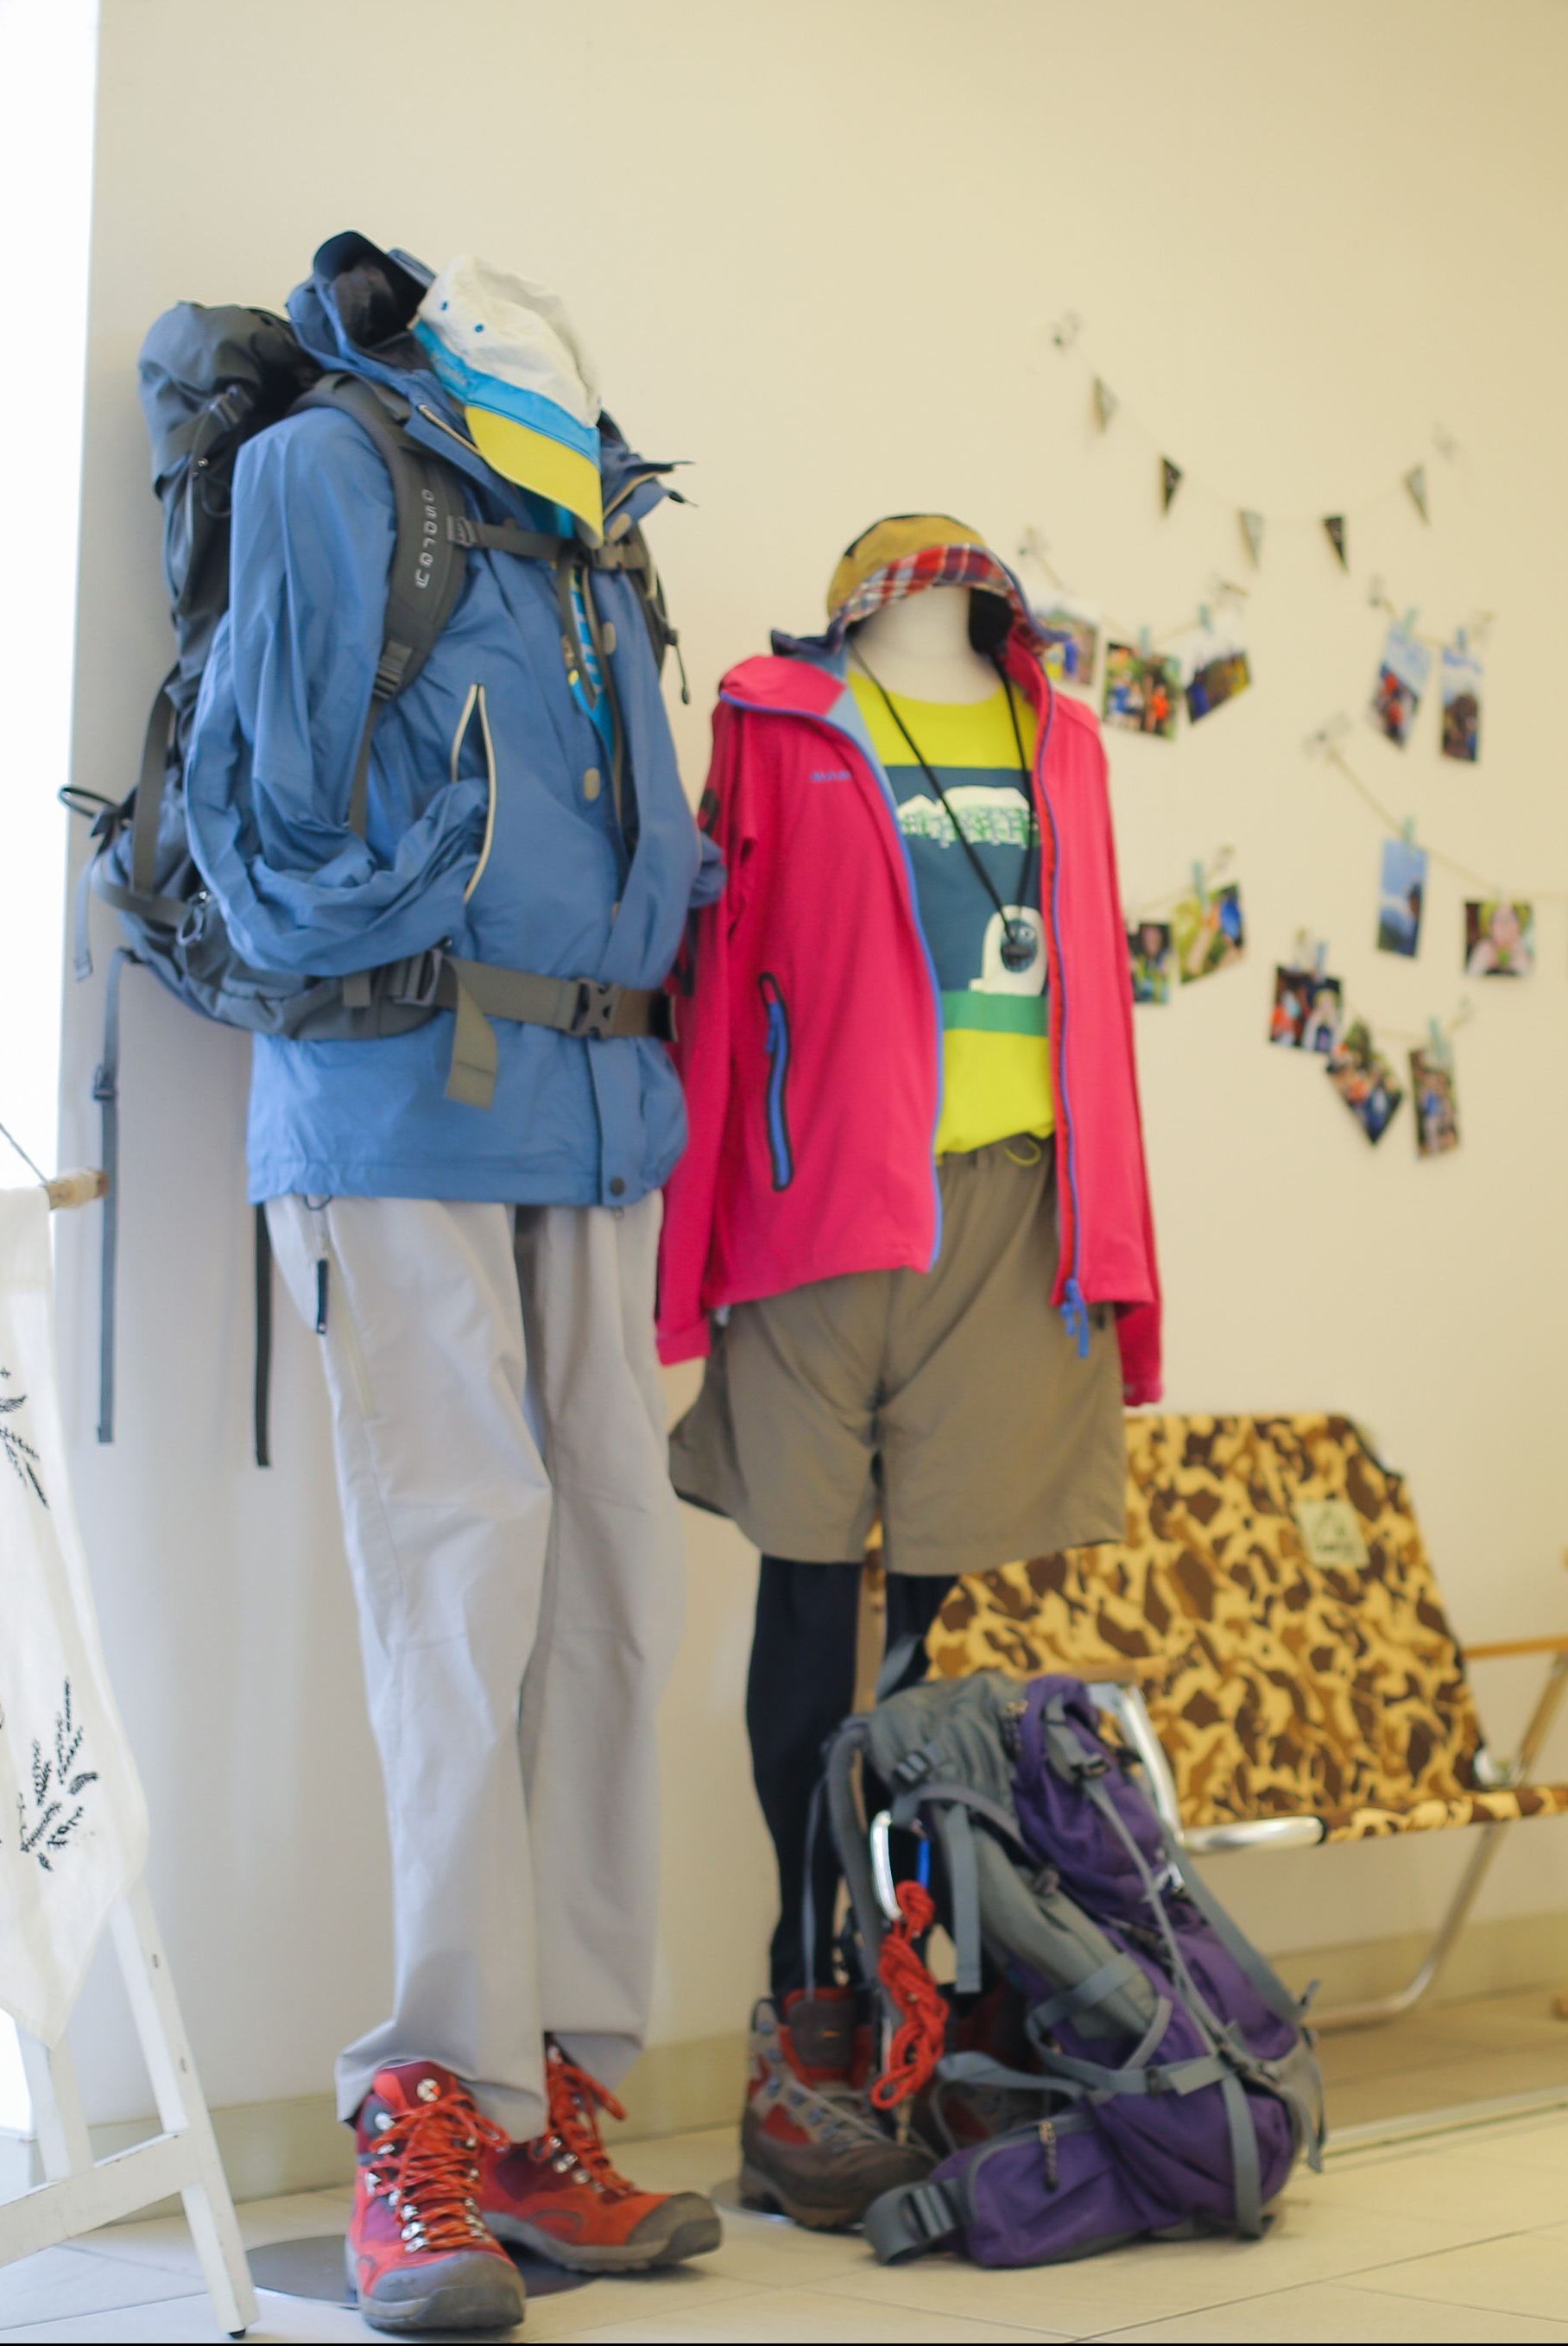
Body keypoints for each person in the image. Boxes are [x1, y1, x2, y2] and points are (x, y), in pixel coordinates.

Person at [182, 236, 720, 2335]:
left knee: (612, 1591)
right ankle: (417, 2096)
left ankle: (544, 2100)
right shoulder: (332, 466)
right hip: (400, 1095)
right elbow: (266, 821)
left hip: (590, 1107)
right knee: (456, 1589)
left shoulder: (587, 514)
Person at [658, 516, 1160, 2234]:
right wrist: (695, 1229)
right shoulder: (778, 716)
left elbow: (1095, 997)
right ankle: (798, 1989)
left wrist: (1118, 1244)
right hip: (819, 1196)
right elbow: (719, 973)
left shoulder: (1060, 737)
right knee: (806, 1590)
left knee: (921, 1632)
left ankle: (898, 1978)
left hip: (1012, 1204)